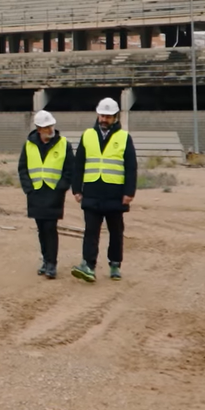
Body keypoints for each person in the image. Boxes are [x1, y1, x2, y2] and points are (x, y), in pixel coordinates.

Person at [71, 98, 138, 283]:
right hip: (92, 191)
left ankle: (115, 264)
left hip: (115, 194)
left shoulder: (124, 137)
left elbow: (131, 167)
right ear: (97, 115)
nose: (104, 119)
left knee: (115, 231)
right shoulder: (87, 135)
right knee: (91, 231)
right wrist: (76, 188)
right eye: (102, 115)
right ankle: (88, 265)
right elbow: (79, 165)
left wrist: (129, 192)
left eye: (108, 116)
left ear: (115, 117)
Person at [17, 110, 73, 279]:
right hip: (36, 193)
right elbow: (23, 169)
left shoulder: (63, 144)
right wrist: (29, 189)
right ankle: (45, 260)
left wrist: (61, 188)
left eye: (51, 126)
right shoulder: (29, 145)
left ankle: (52, 263)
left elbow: (70, 169)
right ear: (38, 129)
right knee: (41, 228)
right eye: (46, 127)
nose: (50, 130)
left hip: (53, 193)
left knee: (50, 228)